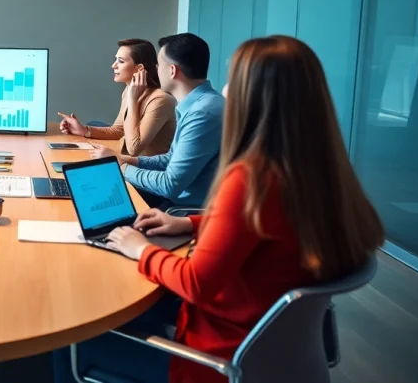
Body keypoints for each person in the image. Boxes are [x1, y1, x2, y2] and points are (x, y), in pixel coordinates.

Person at [56, 35, 385, 383]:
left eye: (234, 79)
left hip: (217, 360)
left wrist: (141, 249)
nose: (224, 90)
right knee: (138, 304)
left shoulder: (249, 178)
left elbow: (196, 284)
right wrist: (193, 224)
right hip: (271, 347)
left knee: (69, 335)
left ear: (252, 97)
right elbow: (266, 225)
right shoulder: (316, 172)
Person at [92, 33, 224, 208]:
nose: (154, 68)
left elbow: (169, 185)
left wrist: (121, 167)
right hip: (176, 198)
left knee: (100, 198)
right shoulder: (202, 103)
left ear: (172, 70)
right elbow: (171, 159)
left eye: (158, 64)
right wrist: (124, 159)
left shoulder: (202, 114)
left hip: (181, 208)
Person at [59, 38, 176, 157]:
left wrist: (132, 100)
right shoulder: (129, 91)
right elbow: (118, 131)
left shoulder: (160, 100)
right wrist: (84, 130)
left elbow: (134, 149)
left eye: (120, 61)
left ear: (139, 68)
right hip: (127, 161)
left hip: (147, 171)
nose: (113, 65)